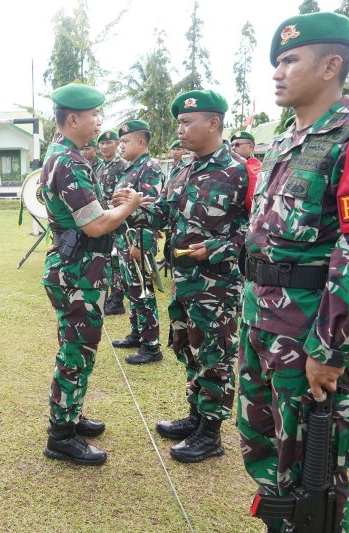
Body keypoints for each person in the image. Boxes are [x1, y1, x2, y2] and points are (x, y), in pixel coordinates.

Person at [238, 13, 349, 532]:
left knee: (316, 475)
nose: (278, 72)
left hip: (309, 338)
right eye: (277, 62)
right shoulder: (288, 142)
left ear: (331, 65)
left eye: (290, 60)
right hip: (262, 326)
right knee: (266, 453)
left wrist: (329, 350)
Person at [116, 89, 249, 462]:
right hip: (185, 279)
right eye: (179, 122)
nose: (181, 129)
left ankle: (211, 432)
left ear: (214, 123)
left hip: (218, 285)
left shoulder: (240, 170)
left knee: (216, 352)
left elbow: (259, 230)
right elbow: (163, 214)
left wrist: (221, 248)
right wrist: (131, 209)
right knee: (189, 347)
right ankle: (196, 415)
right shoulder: (183, 168)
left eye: (188, 122)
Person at [40, 83, 144, 466]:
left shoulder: (63, 156)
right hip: (79, 270)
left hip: (80, 267)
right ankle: (61, 435)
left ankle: (71, 414)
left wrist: (113, 203)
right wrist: (129, 206)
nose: (99, 122)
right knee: (75, 351)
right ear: (73, 119)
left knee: (78, 348)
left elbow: (89, 212)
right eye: (94, 115)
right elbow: (96, 226)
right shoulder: (68, 161)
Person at [109, 120, 166, 365]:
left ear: (141, 142)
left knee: (143, 291)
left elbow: (150, 210)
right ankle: (137, 334)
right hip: (124, 237)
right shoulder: (130, 169)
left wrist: (142, 244)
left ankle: (151, 346)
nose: (120, 146)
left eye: (125, 141)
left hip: (137, 240)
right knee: (133, 290)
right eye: (120, 142)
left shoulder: (150, 168)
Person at [97, 129, 129, 316]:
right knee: (108, 259)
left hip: (118, 220)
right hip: (104, 219)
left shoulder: (123, 166)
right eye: (101, 143)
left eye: (109, 143)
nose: (104, 146)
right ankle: (111, 297)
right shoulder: (100, 167)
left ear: (117, 144)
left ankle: (117, 299)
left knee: (117, 260)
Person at [228, 130, 261, 211]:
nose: (233, 148)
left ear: (251, 146)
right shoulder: (227, 166)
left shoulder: (260, 167)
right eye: (231, 145)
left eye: (237, 144)